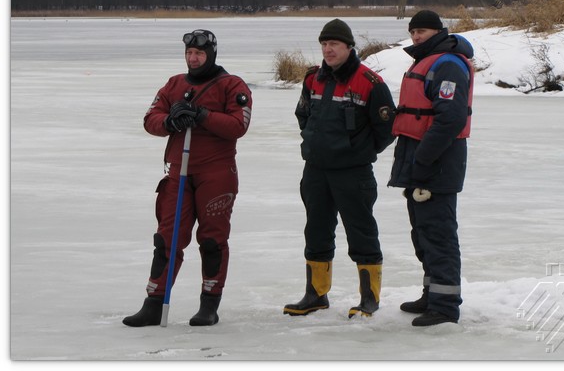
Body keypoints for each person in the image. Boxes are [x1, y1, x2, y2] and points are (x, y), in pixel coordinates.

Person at [123, 29, 253, 327]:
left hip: (216, 173)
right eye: (189, 54)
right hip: (177, 172)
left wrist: (202, 115)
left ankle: (209, 304)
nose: (193, 59)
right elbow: (150, 119)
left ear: (211, 55)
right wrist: (170, 121)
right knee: (166, 239)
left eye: (200, 54)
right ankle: (154, 302)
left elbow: (238, 125)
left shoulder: (232, 85)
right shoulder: (174, 84)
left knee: (211, 239)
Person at [284, 19, 396, 318]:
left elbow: (387, 128)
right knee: (317, 231)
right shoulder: (312, 79)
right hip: (316, 170)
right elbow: (303, 114)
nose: (328, 49)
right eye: (324, 44)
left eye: (334, 44)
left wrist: (359, 151)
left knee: (361, 232)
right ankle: (316, 294)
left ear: (349, 47)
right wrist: (312, 141)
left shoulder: (369, 82)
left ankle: (369, 298)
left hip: (353, 173)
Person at [388, 10, 474, 327]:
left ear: (437, 31)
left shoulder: (447, 64)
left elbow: (449, 118)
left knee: (438, 235)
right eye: (413, 32)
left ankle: (446, 306)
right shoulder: (427, 61)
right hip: (420, 161)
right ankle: (432, 295)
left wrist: (423, 160)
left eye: (422, 31)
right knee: (422, 234)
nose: (416, 37)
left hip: (437, 164)